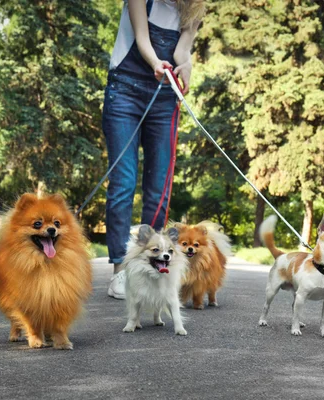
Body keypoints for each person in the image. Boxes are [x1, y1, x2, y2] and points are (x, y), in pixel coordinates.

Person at [104, 0, 205, 299]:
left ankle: (146, 267)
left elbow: (180, 51)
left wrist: (186, 64)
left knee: (159, 187)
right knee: (123, 183)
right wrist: (154, 63)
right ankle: (120, 272)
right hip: (124, 91)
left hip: (163, 98)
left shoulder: (195, 6)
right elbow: (142, 38)